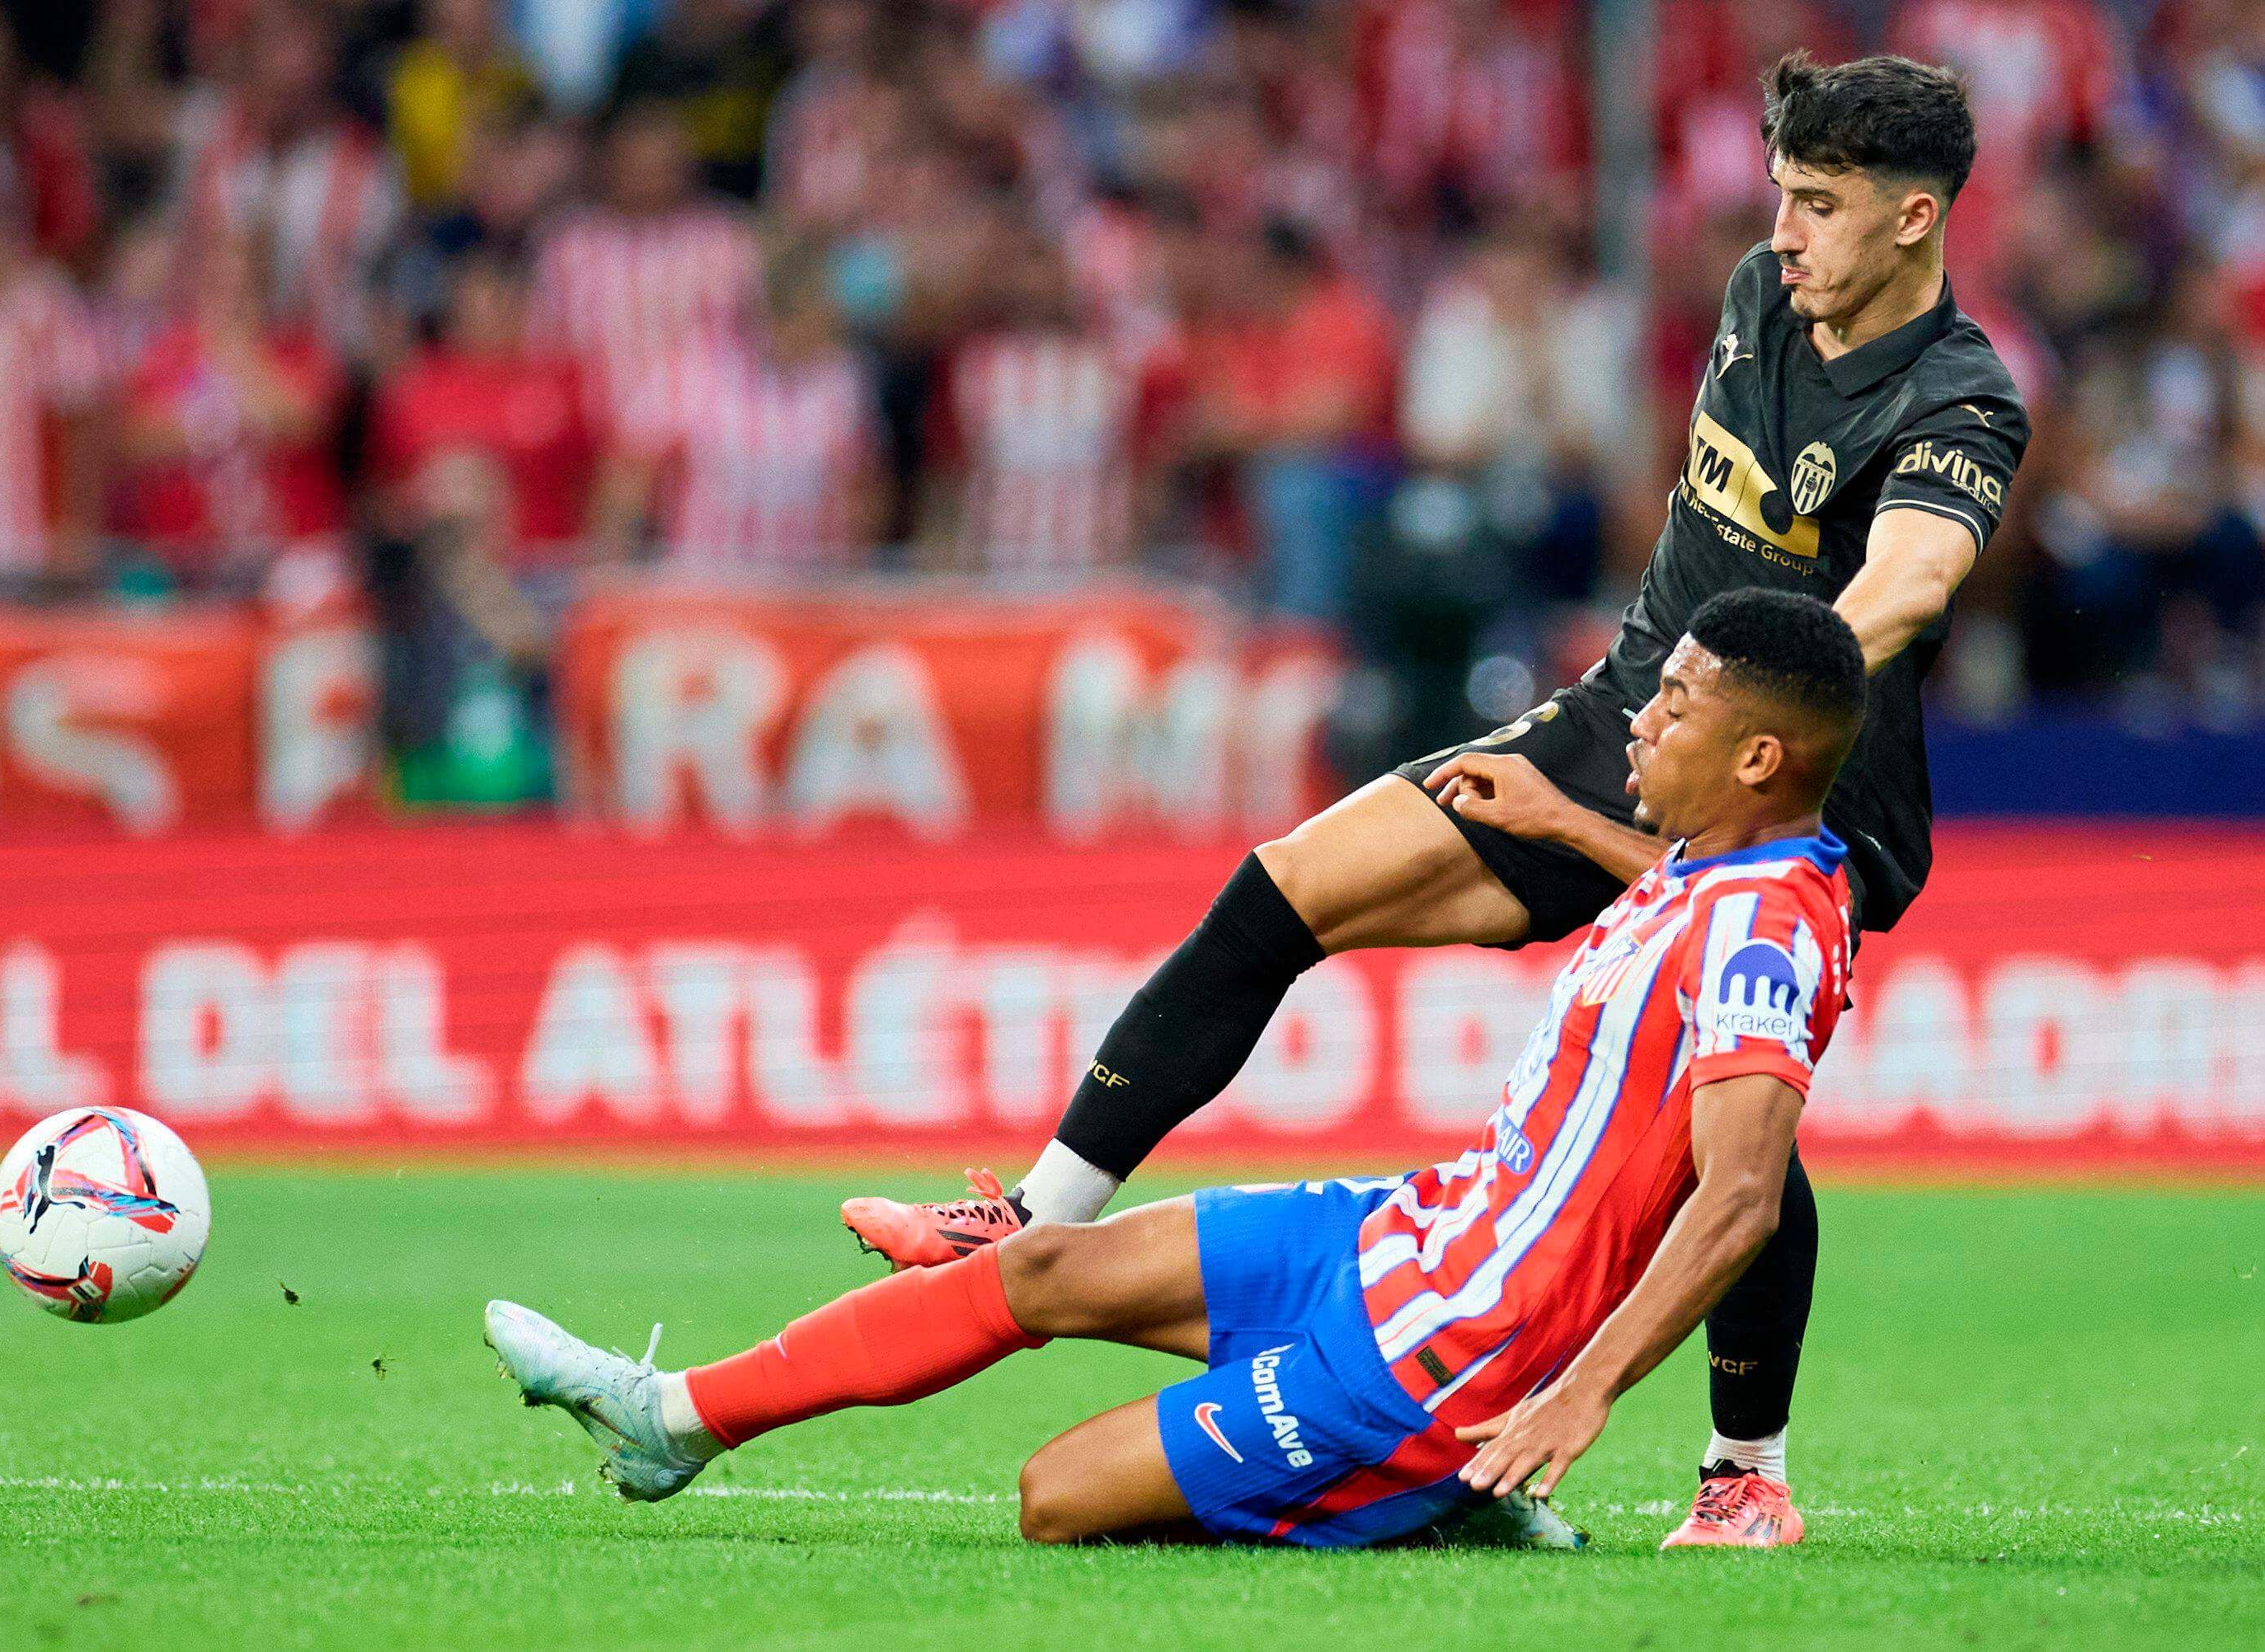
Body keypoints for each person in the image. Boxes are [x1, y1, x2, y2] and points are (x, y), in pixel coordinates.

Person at [842, 52, 2031, 1547]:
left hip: (1790, 786)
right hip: (1627, 720)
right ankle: (1038, 1216)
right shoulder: (1759, 292)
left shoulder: (1959, 401)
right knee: (1289, 885)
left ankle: (1744, 1473)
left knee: (1724, 1124)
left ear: (1915, 219)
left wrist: (1761, 692)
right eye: (1779, 198)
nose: (1783, 233)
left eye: (1819, 207)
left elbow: (1908, 579)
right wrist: (1667, 699)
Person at [486, 589, 1863, 1549]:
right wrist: (1561, 815)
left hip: (1445, 1353)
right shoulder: (1732, 879)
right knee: (1031, 1270)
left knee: (1055, 1496)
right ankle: (662, 1421)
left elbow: (1740, 1198)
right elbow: (1701, 905)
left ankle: (1428, 1498)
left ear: (1755, 754)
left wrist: (1584, 1392)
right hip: (1412, 1231)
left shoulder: (1759, 935)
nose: (1636, 720)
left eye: (1671, 708)